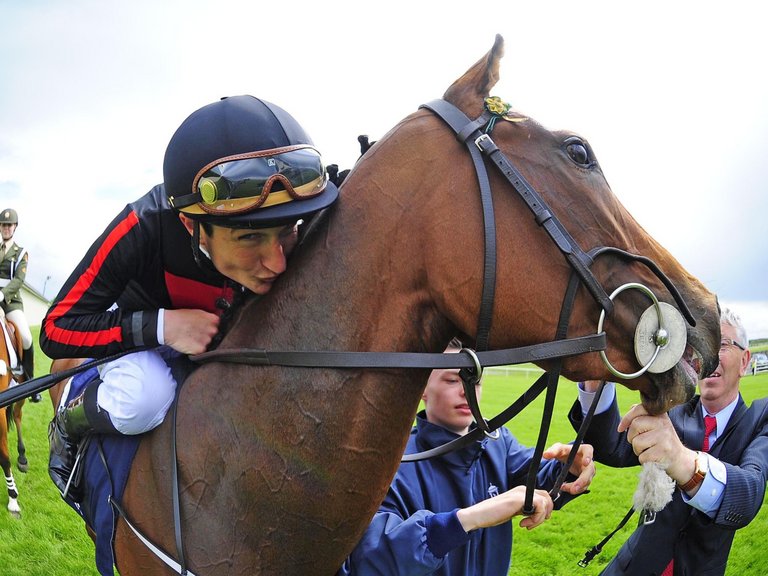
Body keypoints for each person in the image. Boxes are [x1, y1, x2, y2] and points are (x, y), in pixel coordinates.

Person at [41, 95, 340, 497]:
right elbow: (57, 329)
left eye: (287, 230)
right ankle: (67, 424)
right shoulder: (142, 225)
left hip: (212, 339)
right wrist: (163, 325)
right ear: (189, 224)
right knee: (145, 397)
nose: (278, 263)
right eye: (250, 237)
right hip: (138, 336)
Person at [339, 337, 596, 576]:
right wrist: (467, 520)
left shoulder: (498, 442)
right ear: (422, 389)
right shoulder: (394, 462)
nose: (467, 390)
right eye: (452, 380)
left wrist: (569, 466)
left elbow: (538, 480)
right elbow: (370, 560)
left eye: (476, 380)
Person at [569, 307, 768, 575]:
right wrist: (596, 377)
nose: (708, 357)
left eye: (720, 345)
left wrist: (680, 459)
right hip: (634, 566)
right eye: (701, 347)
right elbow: (612, 448)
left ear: (745, 361)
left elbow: (747, 496)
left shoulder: (759, 420)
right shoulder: (674, 410)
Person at [0, 208, 40, 402]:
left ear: (14, 227)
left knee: (25, 337)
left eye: (9, 225)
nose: (6, 228)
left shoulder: (21, 252)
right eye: (3, 225)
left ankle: (30, 385)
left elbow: (19, 279)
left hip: (10, 302)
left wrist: (2, 294)